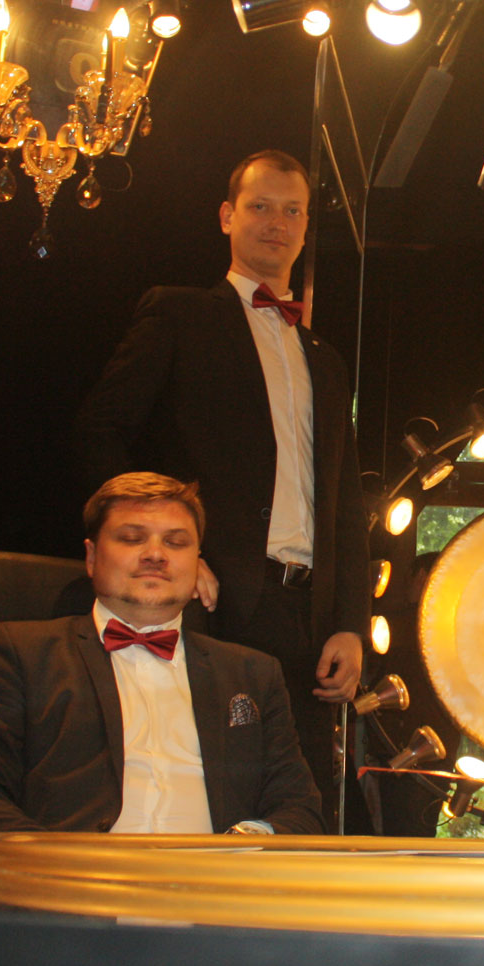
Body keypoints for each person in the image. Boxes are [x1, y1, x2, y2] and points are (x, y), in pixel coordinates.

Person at [74, 150, 368, 825]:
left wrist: (351, 622)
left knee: (297, 804)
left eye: (292, 211)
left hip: (309, 615)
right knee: (206, 785)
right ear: (228, 216)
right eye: (260, 206)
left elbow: (347, 502)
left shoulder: (324, 358)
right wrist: (172, 550)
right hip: (215, 595)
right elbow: (100, 429)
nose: (277, 223)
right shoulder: (180, 313)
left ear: (305, 229)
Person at [0, 473, 323, 836]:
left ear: (197, 560)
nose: (156, 554)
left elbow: (299, 809)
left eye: (176, 542)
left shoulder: (254, 673)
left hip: (215, 883)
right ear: (91, 557)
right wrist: (55, 862)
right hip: (72, 884)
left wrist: (243, 846)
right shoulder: (24, 654)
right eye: (133, 538)